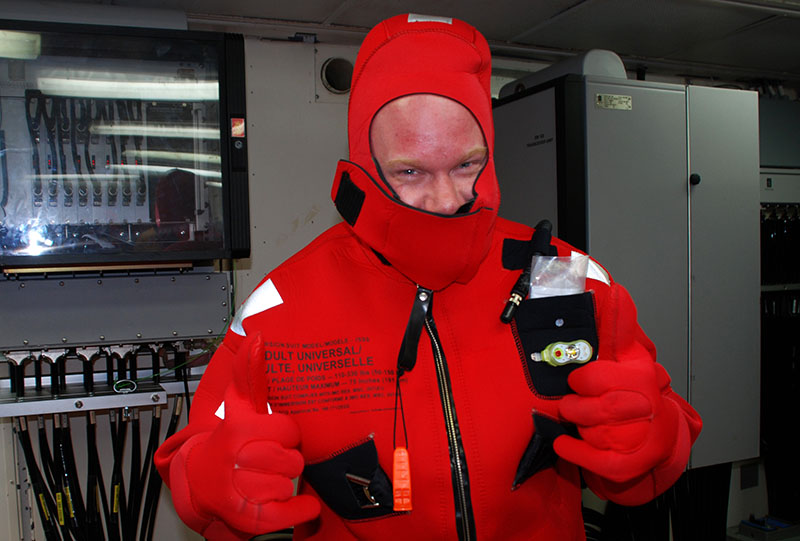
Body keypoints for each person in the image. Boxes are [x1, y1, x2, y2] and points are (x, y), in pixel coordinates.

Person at [154, 13, 702, 541]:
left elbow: (654, 445)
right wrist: (211, 484)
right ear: (364, 167)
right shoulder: (281, 307)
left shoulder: (569, 276)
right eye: (410, 172)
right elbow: (196, 464)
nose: (446, 200)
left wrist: (657, 437)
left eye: (467, 165)